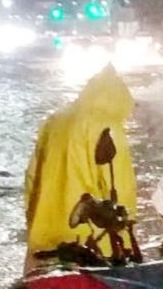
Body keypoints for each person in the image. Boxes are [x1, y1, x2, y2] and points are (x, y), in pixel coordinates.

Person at [23, 63, 139, 274]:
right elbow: (120, 185)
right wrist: (126, 228)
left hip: (44, 238)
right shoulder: (107, 126)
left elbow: (31, 178)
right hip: (89, 242)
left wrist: (34, 222)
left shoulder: (55, 120)